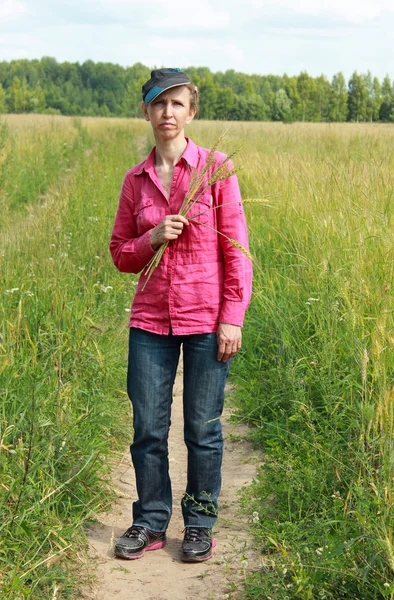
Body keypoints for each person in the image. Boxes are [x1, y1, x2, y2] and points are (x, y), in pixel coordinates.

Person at [109, 68, 252, 562]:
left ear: (191, 112)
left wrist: (232, 316)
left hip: (207, 319)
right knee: (148, 428)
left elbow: (237, 251)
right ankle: (149, 522)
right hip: (150, 322)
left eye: (177, 104)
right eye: (158, 103)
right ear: (146, 111)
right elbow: (119, 254)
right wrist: (150, 238)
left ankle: (198, 522)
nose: (167, 113)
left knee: (202, 429)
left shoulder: (216, 169)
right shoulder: (136, 180)